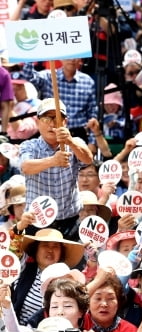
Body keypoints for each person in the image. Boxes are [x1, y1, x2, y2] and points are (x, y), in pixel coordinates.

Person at [18, 98, 93, 237]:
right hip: (37, 221)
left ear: (65, 122)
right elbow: (25, 167)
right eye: (47, 118)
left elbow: (88, 159)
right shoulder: (29, 145)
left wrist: (70, 141)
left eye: (57, 118)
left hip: (70, 221)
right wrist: (53, 161)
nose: (52, 123)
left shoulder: (75, 142)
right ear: (37, 122)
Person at [21, 60, 98, 148]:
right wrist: (29, 57)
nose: (72, 59)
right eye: (68, 56)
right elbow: (28, 77)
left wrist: (92, 142)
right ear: (61, 58)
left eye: (75, 56)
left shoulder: (88, 81)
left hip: (79, 135)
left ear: (80, 60)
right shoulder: (48, 76)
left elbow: (92, 114)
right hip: (53, 133)